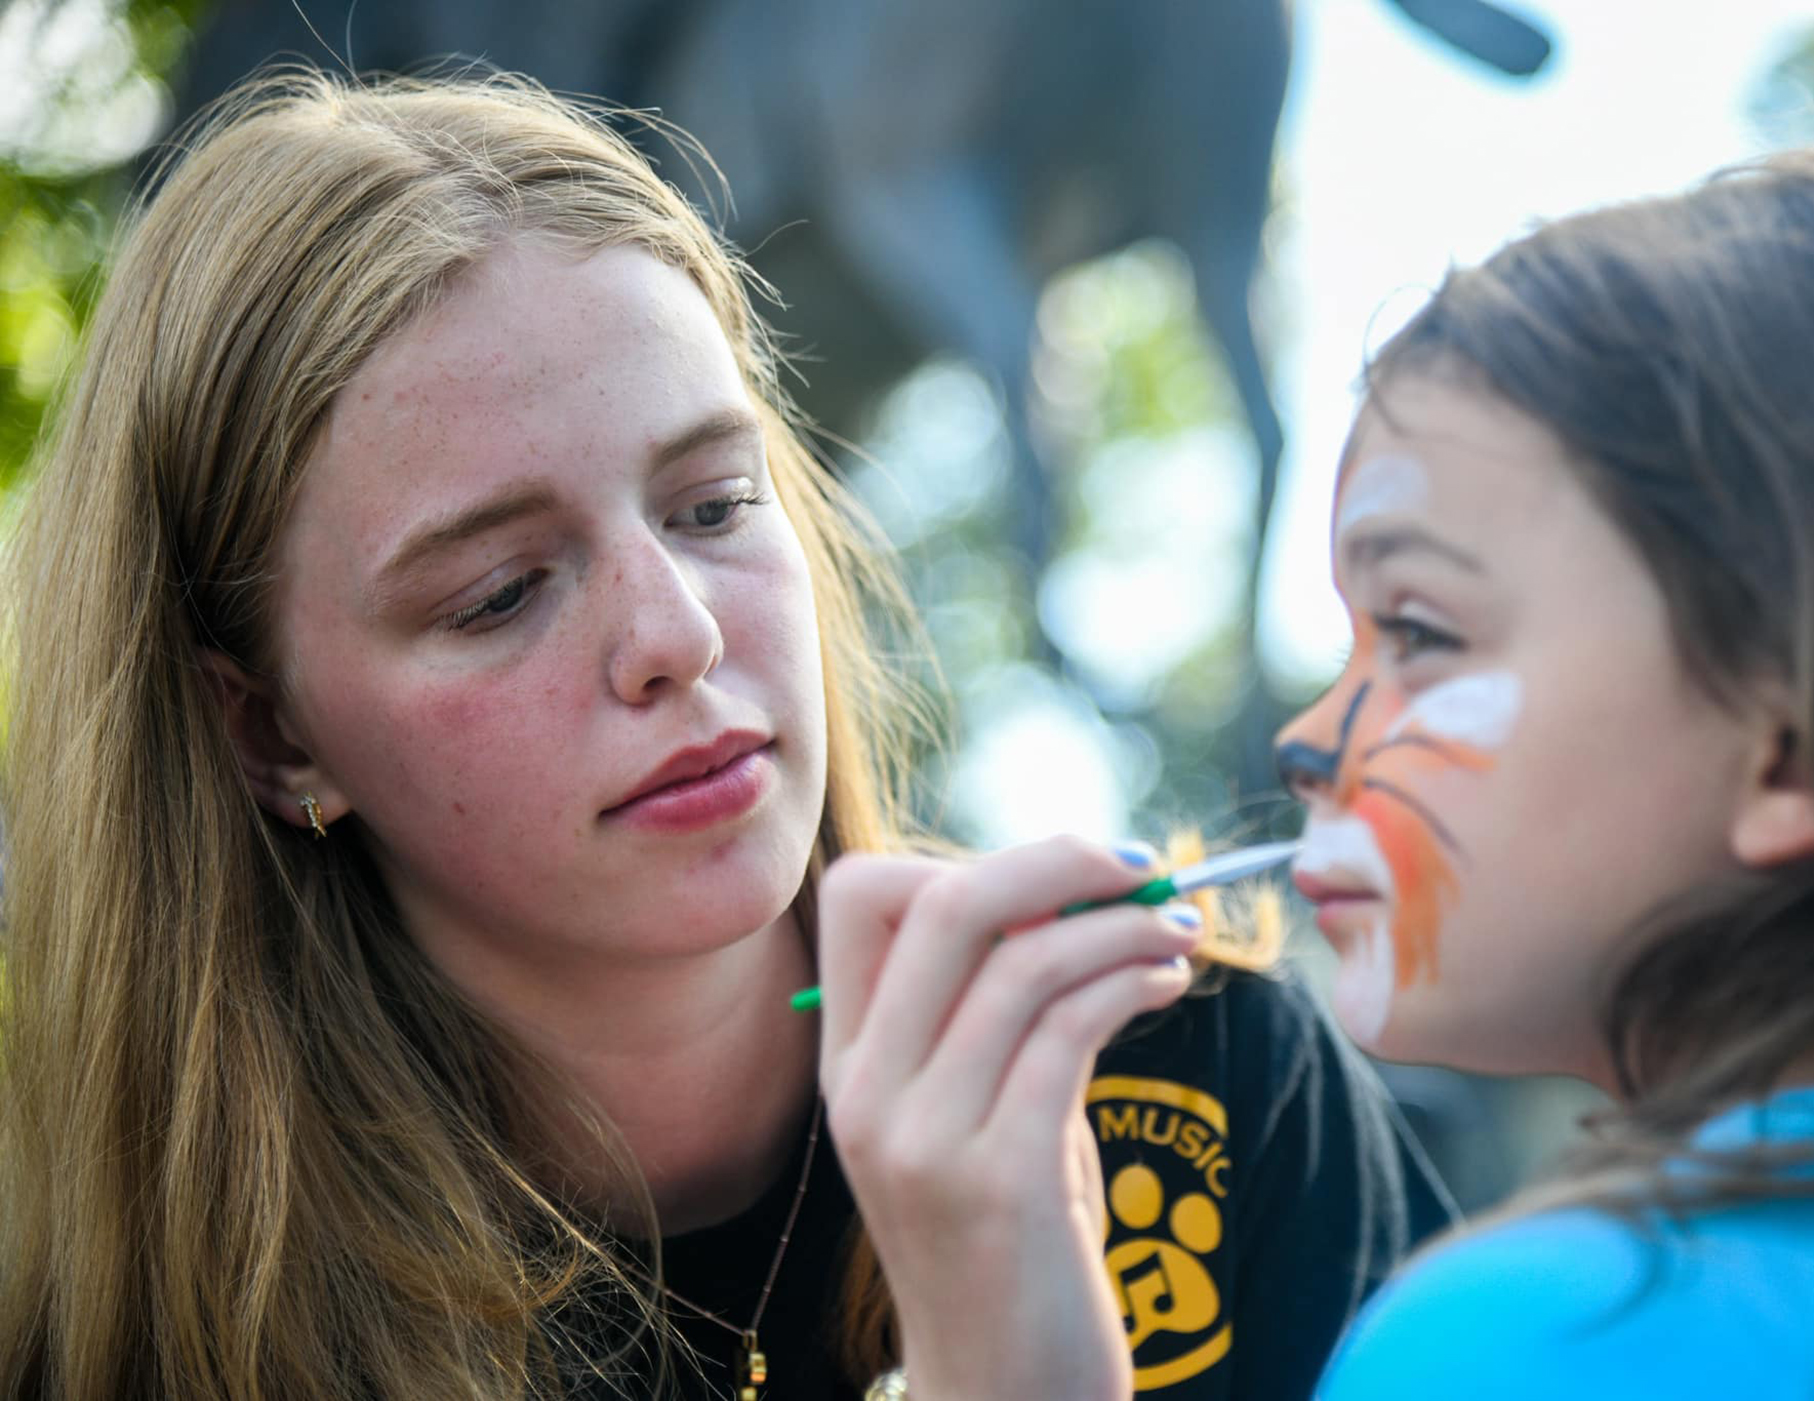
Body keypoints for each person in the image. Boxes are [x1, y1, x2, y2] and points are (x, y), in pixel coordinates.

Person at [0, 71, 1412, 1399]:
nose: (676, 630)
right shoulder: (132, 1327)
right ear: (270, 736)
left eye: (713, 505)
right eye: (497, 593)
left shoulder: (1191, 1078)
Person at [815, 144, 1814, 1398]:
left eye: (1420, 631)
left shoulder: (1532, 1341)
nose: (1307, 739)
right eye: (1347, 642)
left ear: (1803, 747)